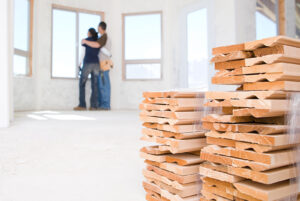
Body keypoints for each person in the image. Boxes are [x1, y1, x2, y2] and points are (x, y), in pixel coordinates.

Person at [83, 21, 111, 110]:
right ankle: (101, 104)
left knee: (104, 84)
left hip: (104, 64)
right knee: (100, 84)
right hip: (100, 64)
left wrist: (85, 41)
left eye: (98, 29)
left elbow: (97, 45)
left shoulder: (104, 37)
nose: (98, 30)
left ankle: (105, 105)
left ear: (101, 28)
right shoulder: (101, 37)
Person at [74, 28, 100, 111]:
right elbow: (102, 51)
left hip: (88, 63)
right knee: (95, 86)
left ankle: (82, 105)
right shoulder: (97, 41)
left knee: (82, 84)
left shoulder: (86, 41)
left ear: (89, 33)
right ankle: (94, 106)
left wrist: (79, 63)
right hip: (96, 64)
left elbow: (83, 53)